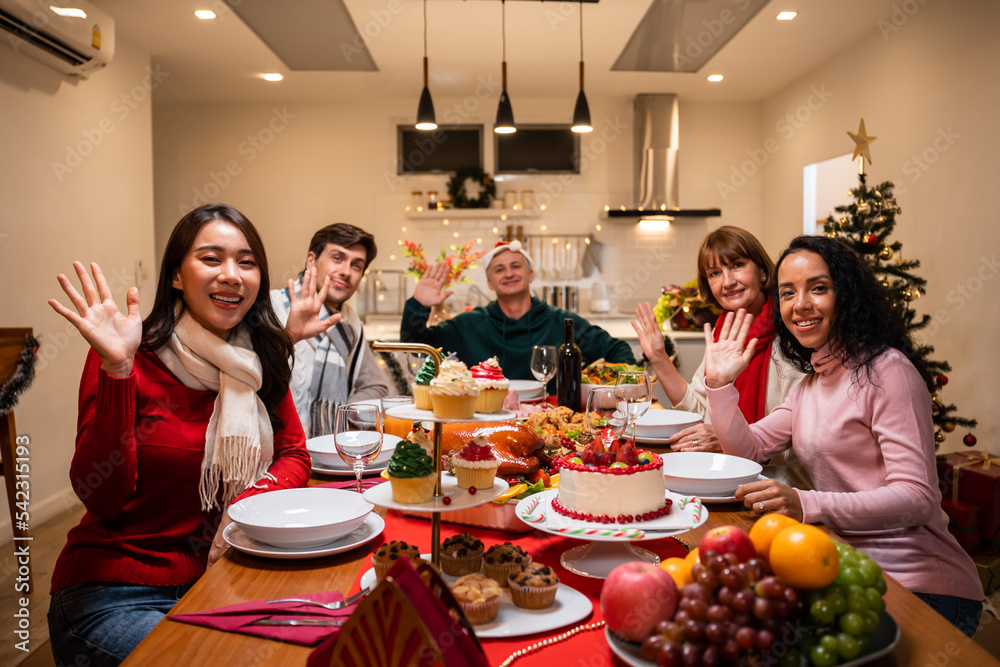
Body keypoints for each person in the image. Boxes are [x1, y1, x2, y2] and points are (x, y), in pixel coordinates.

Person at [46, 205, 311, 666]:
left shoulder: (257, 362)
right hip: (117, 592)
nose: (231, 275)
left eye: (246, 262)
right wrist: (117, 371)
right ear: (176, 276)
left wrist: (241, 509)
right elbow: (101, 497)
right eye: (211, 259)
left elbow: (294, 454)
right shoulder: (129, 357)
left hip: (223, 579)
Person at [704, 234, 983, 636]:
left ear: (847, 294)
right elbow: (748, 450)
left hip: (923, 586)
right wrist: (718, 386)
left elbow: (918, 499)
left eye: (818, 288)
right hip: (847, 565)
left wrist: (806, 503)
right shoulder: (812, 384)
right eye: (787, 293)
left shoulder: (888, 371)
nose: (800, 304)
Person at [631, 226, 809, 488]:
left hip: (783, 488)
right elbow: (701, 412)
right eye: (715, 273)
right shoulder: (723, 328)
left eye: (737, 265)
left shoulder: (793, 332)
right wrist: (658, 357)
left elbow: (805, 439)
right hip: (726, 476)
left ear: (762, 271)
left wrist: (733, 438)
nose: (727, 281)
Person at [400, 240, 636, 381]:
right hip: (483, 426)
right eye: (499, 269)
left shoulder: (563, 323)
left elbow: (616, 349)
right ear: (490, 282)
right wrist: (419, 304)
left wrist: (620, 388)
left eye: (516, 266)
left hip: (552, 422)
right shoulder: (468, 325)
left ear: (531, 275)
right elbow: (415, 345)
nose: (509, 273)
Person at [270, 223, 391, 436]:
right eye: (337, 258)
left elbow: (376, 387)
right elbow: (249, 380)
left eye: (356, 265)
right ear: (311, 260)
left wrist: (339, 416)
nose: (345, 272)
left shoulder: (349, 322)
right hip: (276, 451)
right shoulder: (271, 307)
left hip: (330, 453)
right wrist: (290, 337)